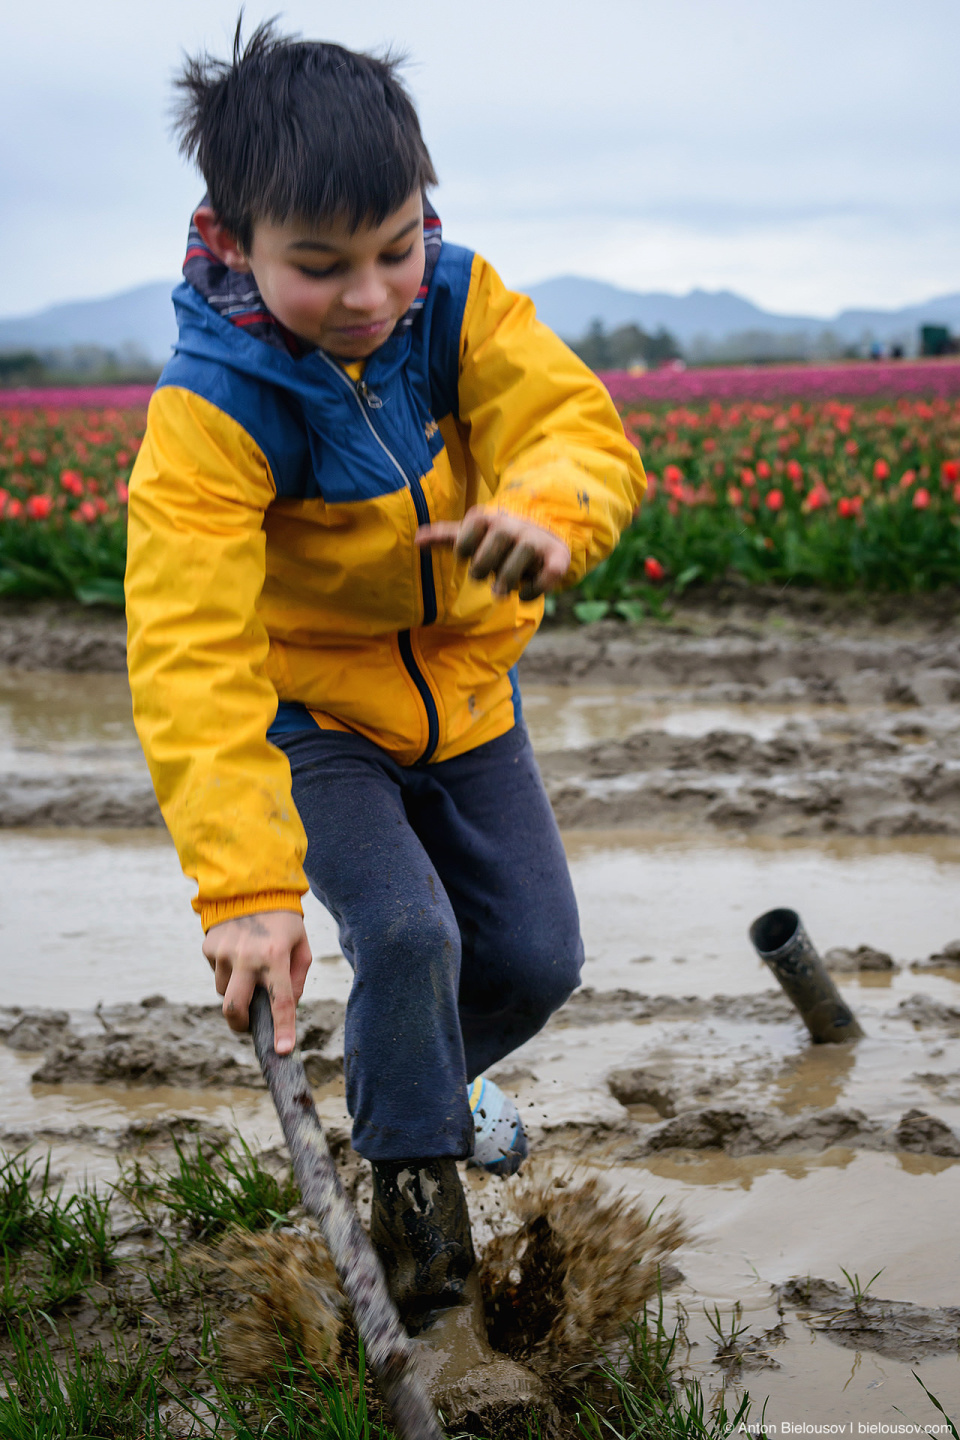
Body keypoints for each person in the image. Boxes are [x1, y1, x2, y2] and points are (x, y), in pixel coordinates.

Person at [125, 20, 645, 1336]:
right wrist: (246, 893)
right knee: (407, 934)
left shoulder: (460, 302)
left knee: (535, 959)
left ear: (426, 214)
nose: (368, 295)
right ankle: (423, 1247)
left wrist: (545, 511)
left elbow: (566, 421)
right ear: (236, 242)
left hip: (470, 695)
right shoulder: (214, 401)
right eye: (320, 265)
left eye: (394, 247)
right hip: (322, 716)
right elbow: (188, 648)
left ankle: (416, 1096)